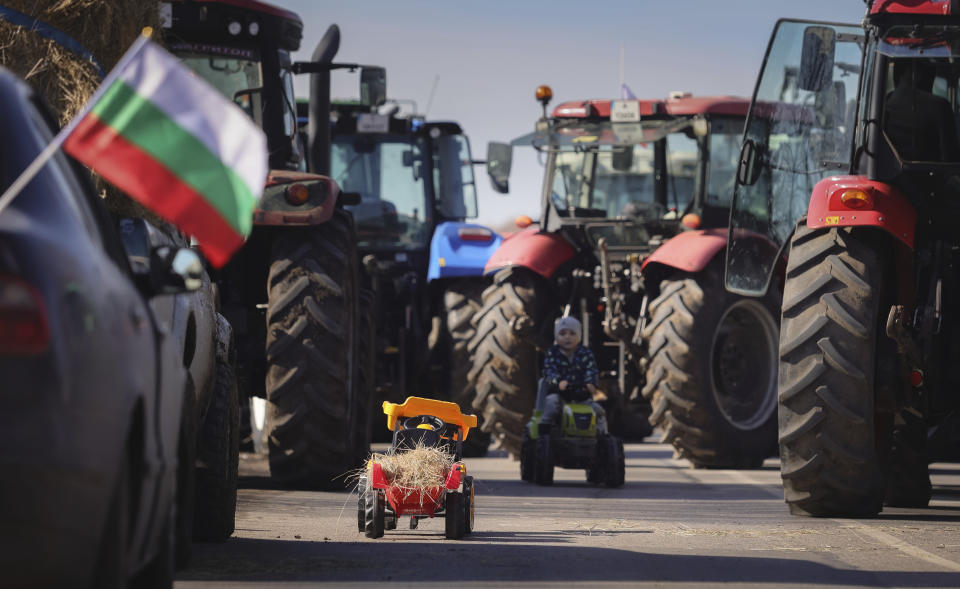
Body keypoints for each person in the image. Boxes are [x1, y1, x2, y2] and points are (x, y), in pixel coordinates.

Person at [539, 316, 607, 434]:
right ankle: (545, 432)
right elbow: (549, 371)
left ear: (579, 336)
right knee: (551, 405)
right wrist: (558, 382)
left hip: (581, 397)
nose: (567, 337)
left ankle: (603, 436)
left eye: (572, 333)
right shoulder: (553, 353)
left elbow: (591, 369)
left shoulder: (585, 353)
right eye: (562, 333)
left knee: (598, 411)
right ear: (556, 336)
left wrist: (591, 383)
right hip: (560, 396)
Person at [883, 59, 960, 163]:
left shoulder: (883, 104)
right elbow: (950, 160)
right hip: (931, 177)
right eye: (929, 69)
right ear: (912, 72)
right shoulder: (939, 106)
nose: (931, 77)